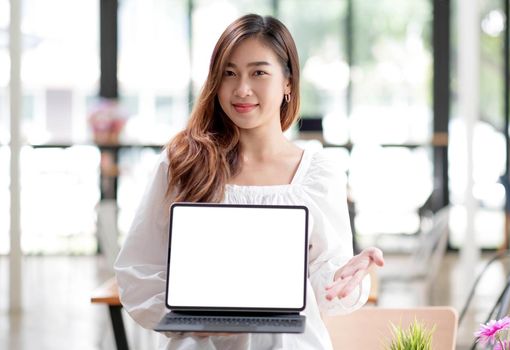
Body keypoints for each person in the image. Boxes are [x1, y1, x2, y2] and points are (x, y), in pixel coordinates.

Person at [114, 13, 384, 350]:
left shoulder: (318, 173)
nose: (242, 89)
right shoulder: (181, 164)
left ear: (288, 83)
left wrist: (347, 278)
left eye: (258, 72)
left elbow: (324, 285)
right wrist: (187, 316)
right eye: (229, 73)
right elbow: (137, 268)